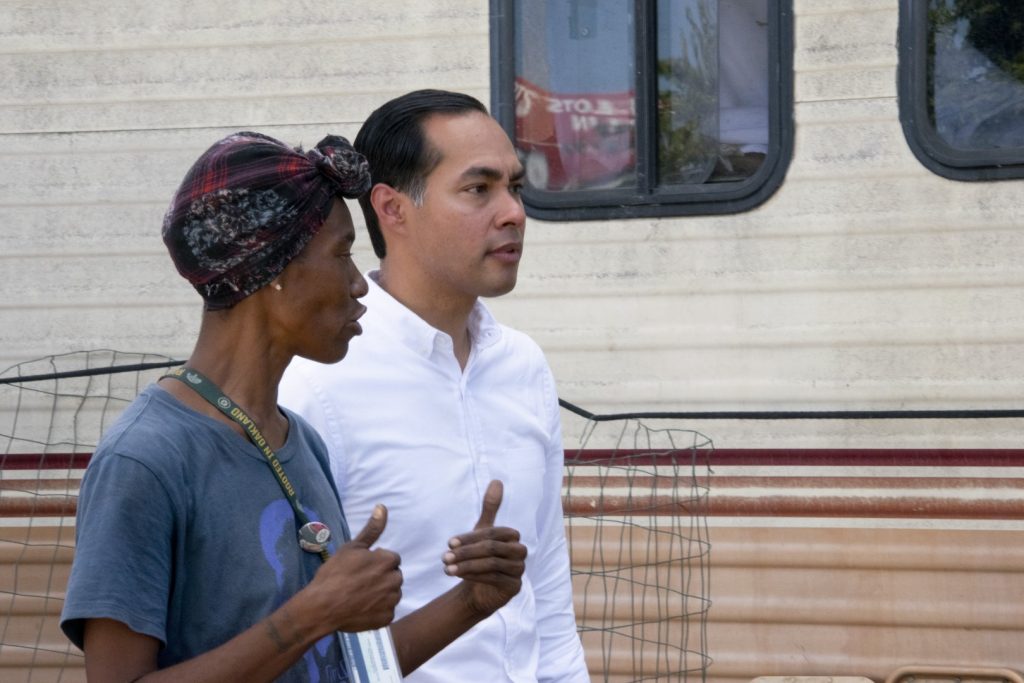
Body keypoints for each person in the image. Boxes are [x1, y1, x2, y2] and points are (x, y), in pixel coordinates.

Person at [60, 130, 527, 682]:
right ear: (272, 271)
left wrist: (471, 602)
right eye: (342, 254)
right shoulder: (145, 460)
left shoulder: (297, 441)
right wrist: (308, 617)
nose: (359, 285)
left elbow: (343, 667)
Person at [279, 90, 590, 682]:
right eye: (479, 189)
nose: (514, 213)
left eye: (516, 188)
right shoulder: (317, 383)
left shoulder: (522, 366)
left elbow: (546, 583)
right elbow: (293, 626)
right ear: (392, 210)